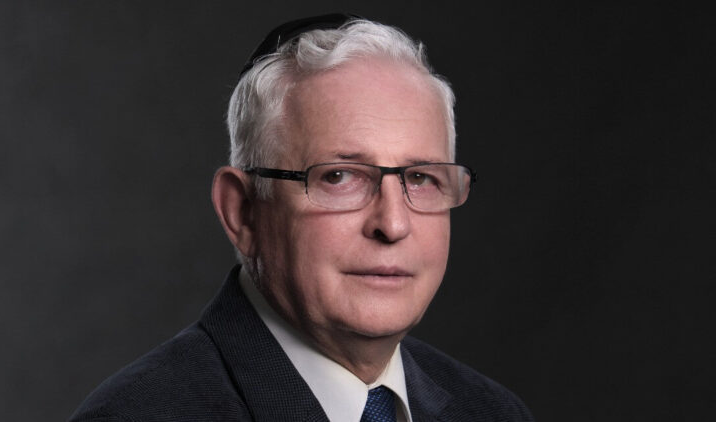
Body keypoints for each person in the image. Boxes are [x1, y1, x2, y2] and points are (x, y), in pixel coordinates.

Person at [70, 14, 533, 422]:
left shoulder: (493, 412)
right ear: (242, 212)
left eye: (421, 178)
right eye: (339, 176)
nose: (393, 225)